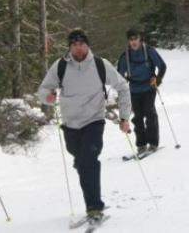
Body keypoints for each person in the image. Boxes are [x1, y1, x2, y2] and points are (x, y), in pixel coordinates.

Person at [38, 29, 131, 225]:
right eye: (74, 45)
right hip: (70, 123)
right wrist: (48, 96)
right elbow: (43, 89)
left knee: (88, 160)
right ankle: (85, 174)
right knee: (80, 160)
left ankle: (94, 207)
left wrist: (124, 117)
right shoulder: (61, 66)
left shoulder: (99, 64)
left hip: (94, 121)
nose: (78, 48)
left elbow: (122, 87)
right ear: (70, 47)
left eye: (82, 44)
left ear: (87, 45)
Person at [115, 28, 167, 154]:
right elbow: (119, 75)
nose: (133, 42)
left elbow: (162, 66)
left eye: (136, 39)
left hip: (149, 87)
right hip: (133, 90)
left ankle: (153, 143)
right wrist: (122, 85)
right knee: (137, 117)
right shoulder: (125, 56)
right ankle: (141, 145)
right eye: (131, 39)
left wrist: (158, 79)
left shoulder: (149, 51)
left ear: (140, 39)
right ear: (128, 41)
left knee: (149, 113)